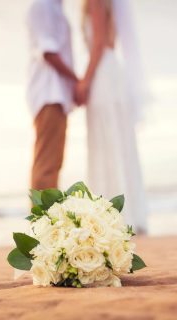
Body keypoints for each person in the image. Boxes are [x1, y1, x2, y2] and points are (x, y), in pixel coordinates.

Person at [77, 0, 147, 233]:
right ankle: (127, 213)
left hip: (103, 76)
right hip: (112, 72)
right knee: (117, 142)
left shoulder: (95, 1)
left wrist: (84, 81)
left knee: (105, 143)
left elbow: (99, 43)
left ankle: (112, 216)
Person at [27, 0, 78, 191]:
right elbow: (48, 52)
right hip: (49, 93)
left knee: (53, 163)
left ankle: (46, 219)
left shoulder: (54, 7)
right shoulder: (43, 6)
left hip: (56, 94)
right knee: (47, 165)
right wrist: (77, 82)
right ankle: (42, 220)